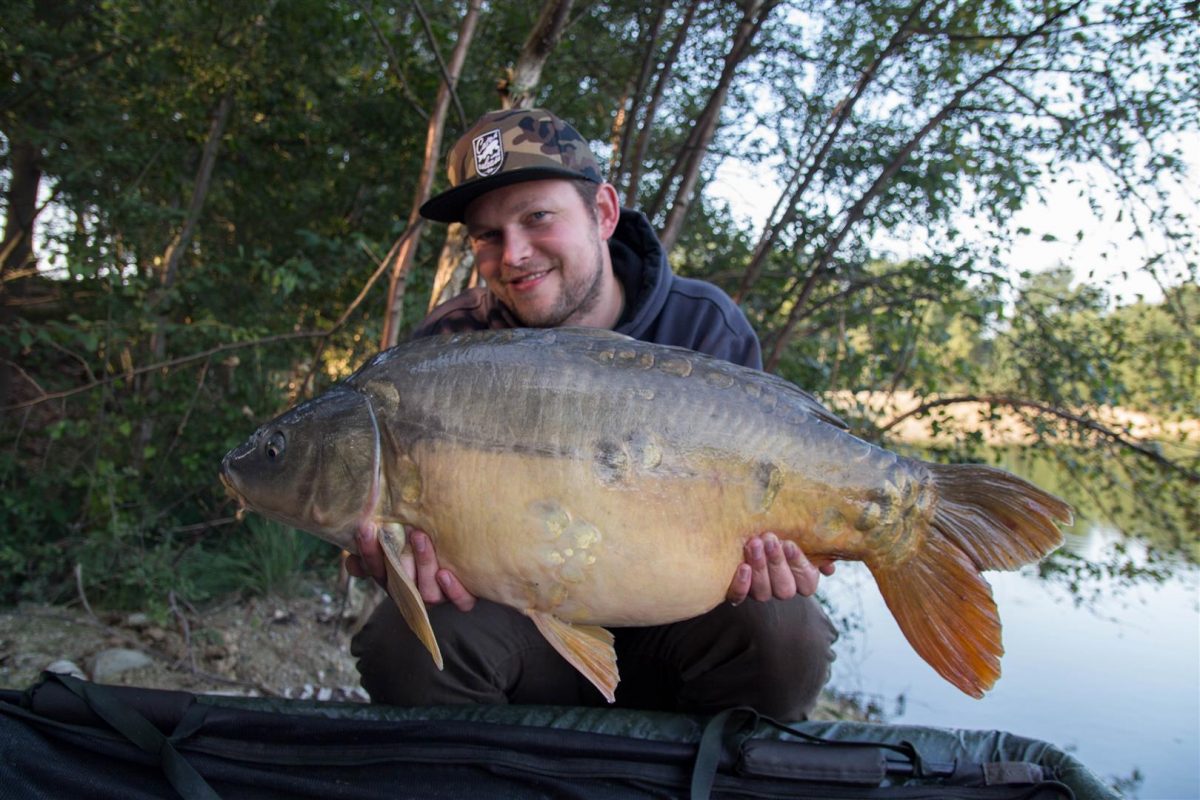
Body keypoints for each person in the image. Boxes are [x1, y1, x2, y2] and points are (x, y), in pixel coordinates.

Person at [346, 108, 837, 719]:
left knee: (786, 633)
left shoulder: (701, 326)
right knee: (405, 645)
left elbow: (769, 500)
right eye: (488, 235)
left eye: (537, 218)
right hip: (517, 622)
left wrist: (783, 557)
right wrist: (392, 563)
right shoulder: (448, 346)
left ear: (603, 213)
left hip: (677, 623)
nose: (515, 253)